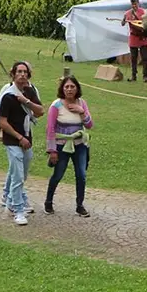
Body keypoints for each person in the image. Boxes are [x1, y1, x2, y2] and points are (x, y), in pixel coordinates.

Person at [0, 61, 44, 226]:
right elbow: (2, 121)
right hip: (13, 140)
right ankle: (18, 210)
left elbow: (40, 112)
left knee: (21, 173)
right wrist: (18, 137)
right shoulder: (8, 95)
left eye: (25, 72)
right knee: (17, 175)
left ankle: (9, 200)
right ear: (14, 74)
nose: (22, 75)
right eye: (19, 72)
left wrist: (26, 101)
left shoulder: (30, 92)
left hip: (27, 138)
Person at [44, 75, 94, 217]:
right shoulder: (56, 106)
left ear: (77, 88)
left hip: (80, 145)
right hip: (62, 146)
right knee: (58, 174)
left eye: (72, 86)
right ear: (62, 89)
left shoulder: (82, 103)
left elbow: (89, 125)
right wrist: (52, 150)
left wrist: (82, 112)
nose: (70, 89)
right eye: (67, 87)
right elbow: (50, 128)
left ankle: (80, 205)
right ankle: (48, 201)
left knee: (81, 175)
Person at [120, 0, 147, 83]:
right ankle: (133, 76)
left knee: (145, 58)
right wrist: (124, 20)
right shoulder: (127, 13)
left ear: (138, 3)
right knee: (133, 58)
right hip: (133, 37)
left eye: (135, 4)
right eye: (133, 4)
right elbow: (122, 24)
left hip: (142, 36)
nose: (134, 6)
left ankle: (145, 76)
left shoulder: (143, 12)